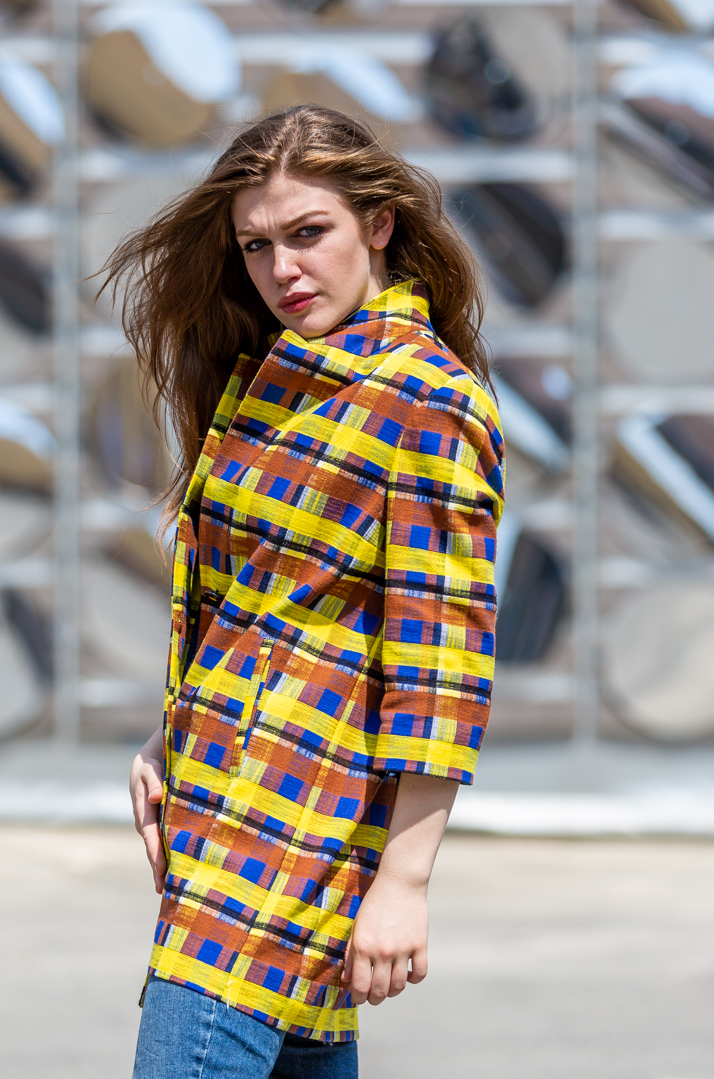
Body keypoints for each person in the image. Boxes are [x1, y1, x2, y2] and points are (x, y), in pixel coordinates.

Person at [105, 105, 504, 1079]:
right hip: (222, 798)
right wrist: (172, 732)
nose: (283, 268)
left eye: (308, 232)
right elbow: (262, 606)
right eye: (257, 245)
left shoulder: (427, 402)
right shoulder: (277, 378)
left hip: (297, 826)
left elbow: (442, 667)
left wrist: (405, 882)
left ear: (379, 224)